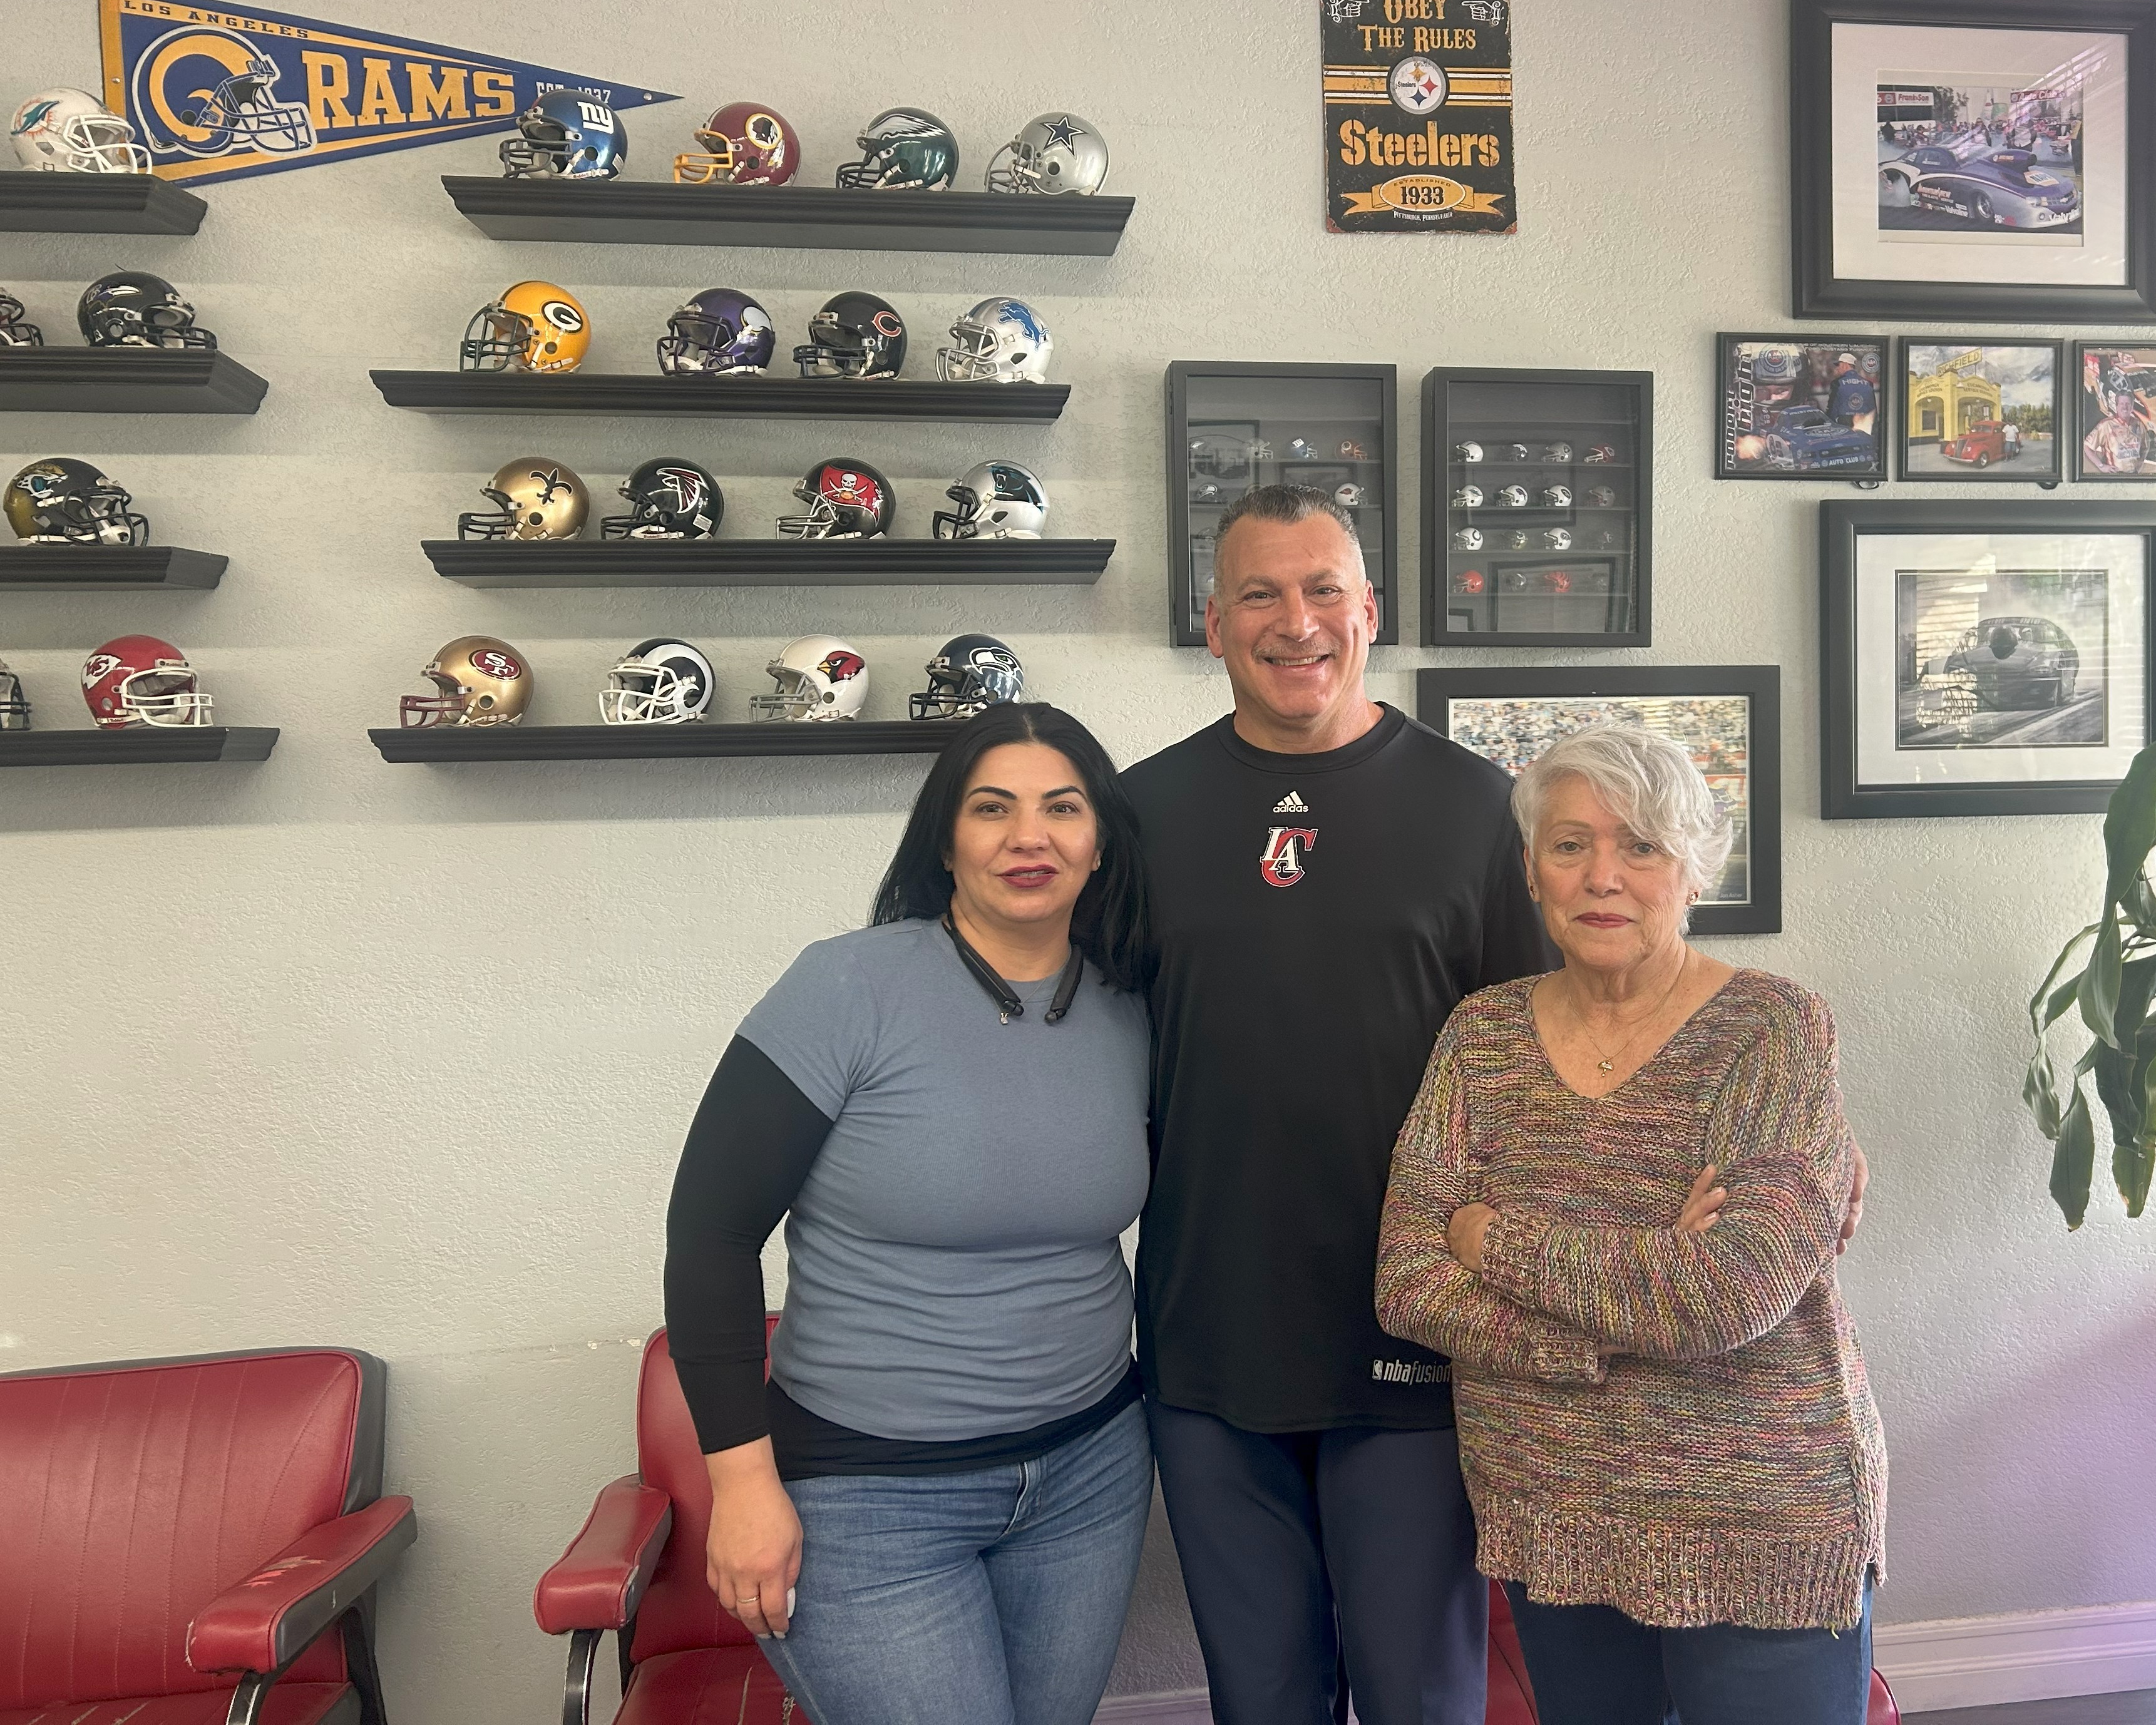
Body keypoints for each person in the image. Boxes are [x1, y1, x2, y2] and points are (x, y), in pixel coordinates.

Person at [1122, 486, 1866, 1724]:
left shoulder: (1474, 807)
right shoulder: (1140, 815)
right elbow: (1081, 1040)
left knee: (1423, 1698)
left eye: (1323, 590)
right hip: (1211, 1332)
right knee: (1260, 1700)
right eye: (1259, 593)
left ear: (1371, 610)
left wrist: (1804, 1163)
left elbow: (1585, 1044)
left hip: (1425, 1363)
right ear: (1213, 621)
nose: (1296, 621)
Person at [1375, 724, 1886, 1724]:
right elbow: (1406, 1282)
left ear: (1694, 870)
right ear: (1533, 871)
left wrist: (1490, 1240)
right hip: (1551, 1513)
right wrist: (1619, 1312)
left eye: (1642, 845)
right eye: (1570, 845)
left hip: (1756, 1523)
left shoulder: (1773, 1030)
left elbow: (1726, 1295)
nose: (1602, 876)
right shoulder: (1480, 1035)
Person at [663, 703, 1156, 1725]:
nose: (1030, 836)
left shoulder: (1135, 1004)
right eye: (993, 808)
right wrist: (743, 1486)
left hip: (1091, 1473)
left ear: (1101, 841)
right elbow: (711, 1236)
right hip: (867, 1496)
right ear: (945, 839)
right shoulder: (847, 987)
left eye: (1063, 808)